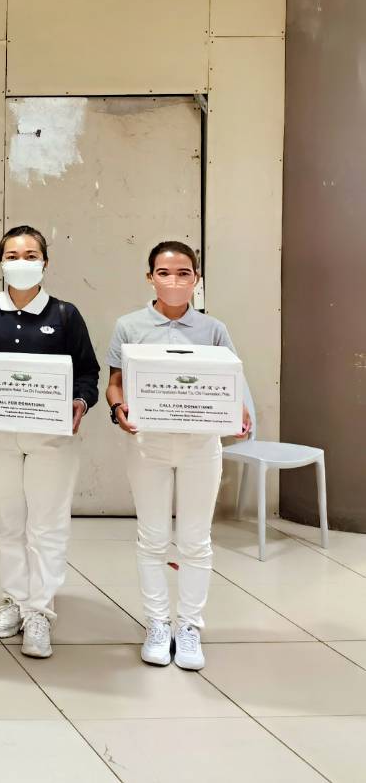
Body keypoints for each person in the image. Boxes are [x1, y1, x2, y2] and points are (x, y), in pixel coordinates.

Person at [0, 225, 99, 660]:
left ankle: (40, 610)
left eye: (30, 254)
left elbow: (87, 372)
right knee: (8, 521)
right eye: (12, 255)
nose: (21, 262)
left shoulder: (65, 315)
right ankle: (15, 599)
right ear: (1, 262)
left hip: (51, 437)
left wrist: (80, 402)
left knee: (47, 525)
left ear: (45, 263)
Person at [106, 241, 253, 672]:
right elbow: (115, 383)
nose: (174, 281)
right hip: (148, 444)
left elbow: (232, 386)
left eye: (184, 273)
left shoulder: (214, 330)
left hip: (200, 446)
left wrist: (240, 413)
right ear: (149, 277)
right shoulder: (129, 326)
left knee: (195, 540)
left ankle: (188, 626)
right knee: (151, 537)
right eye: (164, 273)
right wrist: (119, 408)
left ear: (197, 279)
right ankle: (156, 622)